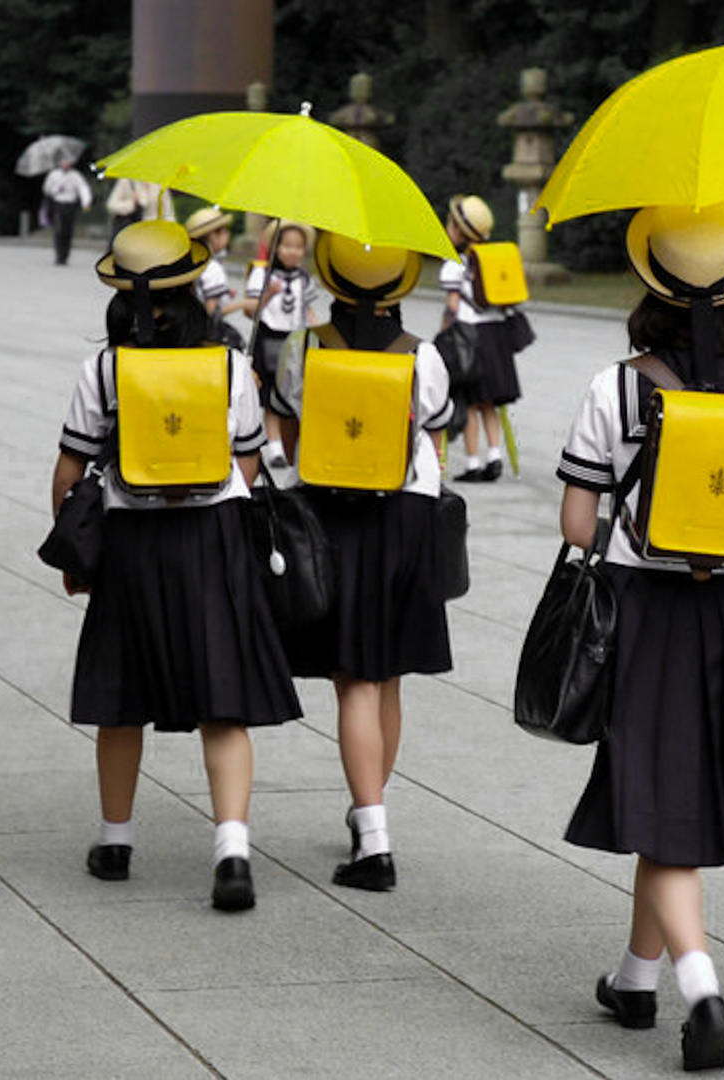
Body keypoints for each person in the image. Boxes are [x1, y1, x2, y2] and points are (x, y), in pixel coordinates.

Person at [554, 202, 724, 1071]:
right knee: (665, 792)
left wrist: (632, 532)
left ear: (650, 282)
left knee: (658, 797)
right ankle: (634, 977)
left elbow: (576, 519)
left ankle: (698, 988)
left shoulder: (616, 384)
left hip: (642, 607)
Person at [50, 219, 301, 911]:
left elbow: (71, 467)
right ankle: (231, 849)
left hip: (131, 542)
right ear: (191, 287)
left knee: (121, 696)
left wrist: (76, 553)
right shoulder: (227, 365)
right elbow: (247, 460)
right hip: (212, 537)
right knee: (223, 702)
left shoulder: (103, 368)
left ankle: (114, 839)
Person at [270, 231, 453, 892]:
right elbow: (432, 438)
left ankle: (374, 839)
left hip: (329, 515)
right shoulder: (422, 354)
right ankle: (367, 808)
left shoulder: (305, 345)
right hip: (403, 517)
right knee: (387, 673)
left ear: (331, 275)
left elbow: (287, 435)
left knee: (354, 679)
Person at [439, 195, 521, 482]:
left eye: (451, 224)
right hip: (496, 337)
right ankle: (495, 455)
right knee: (491, 403)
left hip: (469, 337)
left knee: (471, 402)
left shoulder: (454, 265)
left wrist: (443, 336)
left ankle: (473, 463)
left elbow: (452, 307)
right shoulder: (496, 260)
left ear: (461, 231)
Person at [243, 219, 320, 466]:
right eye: (286, 245)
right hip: (268, 335)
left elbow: (307, 310)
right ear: (276, 247)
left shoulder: (305, 279)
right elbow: (250, 310)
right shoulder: (262, 274)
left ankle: (293, 444)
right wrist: (269, 294)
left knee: (293, 391)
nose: (292, 251)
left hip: (294, 339)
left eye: (298, 247)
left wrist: (317, 330)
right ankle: (274, 446)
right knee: (269, 394)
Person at [184, 205, 245, 349]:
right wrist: (244, 304)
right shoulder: (213, 268)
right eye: (223, 231)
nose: (226, 235)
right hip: (206, 334)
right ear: (211, 237)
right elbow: (210, 312)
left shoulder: (193, 264)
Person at [41, 155, 93, 265]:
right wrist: (57, 189)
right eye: (64, 162)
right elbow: (47, 189)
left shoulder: (75, 176)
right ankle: (59, 254)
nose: (66, 164)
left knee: (67, 230)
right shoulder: (54, 175)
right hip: (58, 204)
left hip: (70, 205)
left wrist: (86, 202)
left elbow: (83, 188)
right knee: (59, 230)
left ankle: (65, 254)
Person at [106, 178, 171, 238]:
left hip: (154, 234)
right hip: (132, 233)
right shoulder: (127, 181)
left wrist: (170, 233)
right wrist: (131, 203)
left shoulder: (160, 183)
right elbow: (111, 206)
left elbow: (168, 213)